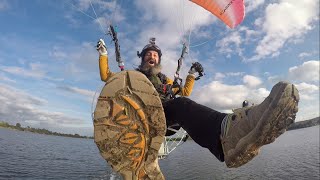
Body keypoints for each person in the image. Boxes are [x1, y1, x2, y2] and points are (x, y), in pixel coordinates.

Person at [95, 38, 299, 180]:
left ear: (159, 59)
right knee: (180, 105)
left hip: (163, 118)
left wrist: (191, 74)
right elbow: (108, 79)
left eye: (155, 55)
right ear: (142, 59)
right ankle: (223, 142)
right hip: (137, 120)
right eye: (148, 55)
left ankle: (227, 136)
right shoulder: (133, 76)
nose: (152, 57)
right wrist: (103, 55)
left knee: (182, 104)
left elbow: (183, 92)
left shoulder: (165, 80)